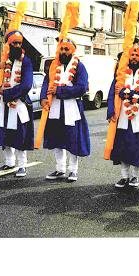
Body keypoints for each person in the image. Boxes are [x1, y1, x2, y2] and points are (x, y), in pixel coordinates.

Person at [107, 43, 139, 188]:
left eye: (137, 55)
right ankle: (124, 176)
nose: (134, 58)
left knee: (138, 147)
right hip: (122, 116)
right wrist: (111, 111)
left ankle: (136, 176)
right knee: (122, 147)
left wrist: (125, 93)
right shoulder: (122, 74)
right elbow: (112, 92)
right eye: (132, 55)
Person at [0, 30, 34, 178]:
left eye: (19, 43)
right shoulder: (4, 62)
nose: (17, 45)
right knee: (3, 133)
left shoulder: (26, 61)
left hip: (19, 104)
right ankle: (9, 162)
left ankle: (22, 165)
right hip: (3, 107)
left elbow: (26, 85)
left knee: (20, 135)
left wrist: (5, 93)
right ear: (8, 44)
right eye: (14, 43)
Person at [40, 38, 90, 181]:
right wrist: (44, 97)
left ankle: (73, 170)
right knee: (57, 139)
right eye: (61, 49)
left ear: (72, 51)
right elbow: (46, 83)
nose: (63, 52)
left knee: (73, 140)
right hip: (55, 108)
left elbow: (81, 88)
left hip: (72, 109)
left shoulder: (79, 67)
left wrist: (59, 91)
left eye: (66, 49)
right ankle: (59, 169)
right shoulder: (54, 66)